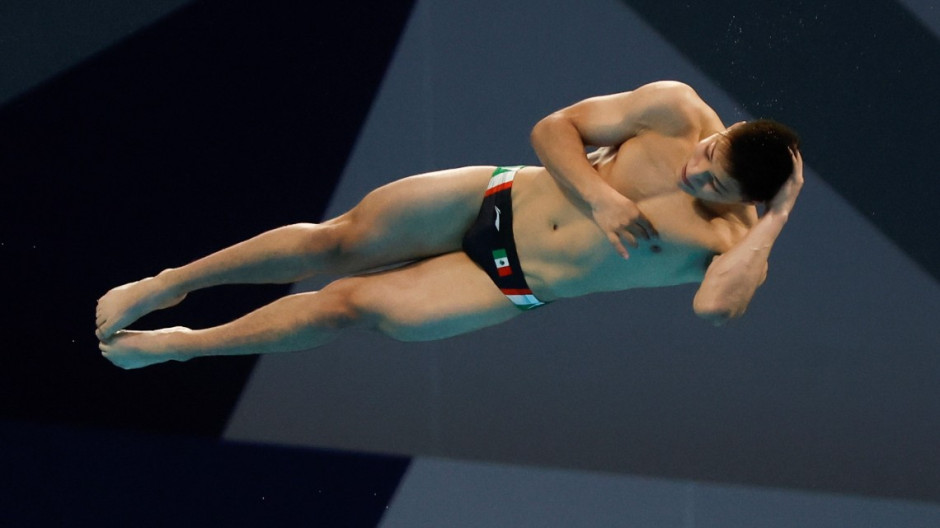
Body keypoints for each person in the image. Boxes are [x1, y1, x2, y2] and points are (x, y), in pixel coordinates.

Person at [96, 80, 803, 370]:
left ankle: (181, 346)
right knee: (333, 242)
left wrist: (777, 218)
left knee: (349, 305)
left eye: (715, 185)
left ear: (749, 200)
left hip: (503, 283)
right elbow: (554, 128)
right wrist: (596, 196)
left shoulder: (733, 243)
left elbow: (716, 309)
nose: (696, 174)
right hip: (489, 196)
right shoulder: (676, 110)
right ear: (726, 127)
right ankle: (170, 283)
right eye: (710, 156)